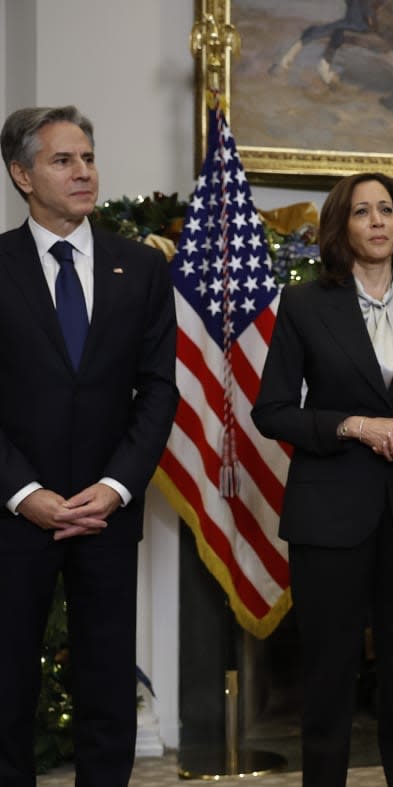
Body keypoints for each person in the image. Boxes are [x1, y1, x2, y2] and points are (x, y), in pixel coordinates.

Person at [251, 172, 393, 787]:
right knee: (329, 671)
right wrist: (354, 426)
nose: (377, 221)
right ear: (339, 227)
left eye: (386, 210)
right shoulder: (303, 305)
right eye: (361, 212)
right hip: (329, 515)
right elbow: (271, 412)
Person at [0, 106, 179, 785]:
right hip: (15, 514)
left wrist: (116, 486)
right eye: (62, 160)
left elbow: (158, 392)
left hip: (107, 510)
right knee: (8, 685)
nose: (83, 172)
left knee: (108, 688)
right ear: (22, 174)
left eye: (88, 158)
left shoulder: (140, 268)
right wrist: (25, 494)